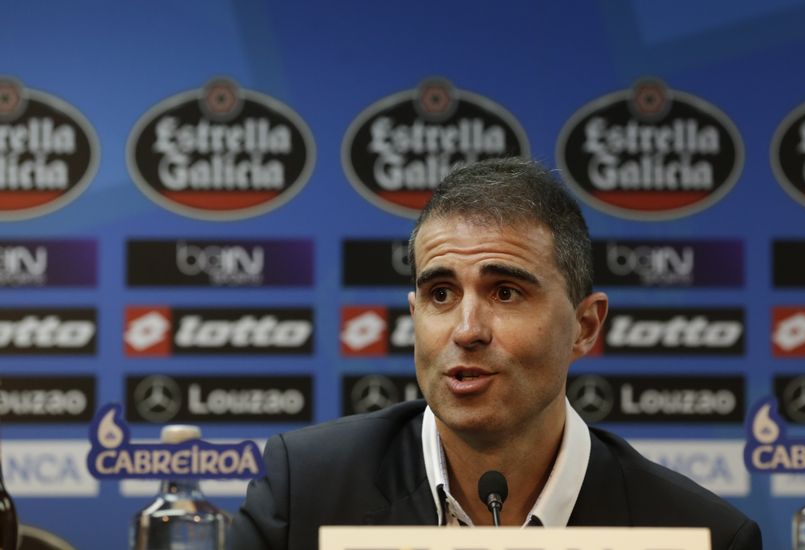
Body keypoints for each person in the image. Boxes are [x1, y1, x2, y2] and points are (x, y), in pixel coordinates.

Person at [229, 158, 763, 549]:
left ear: (584, 327)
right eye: (441, 294)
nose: (467, 330)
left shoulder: (703, 535)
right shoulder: (304, 491)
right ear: (414, 314)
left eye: (505, 293)